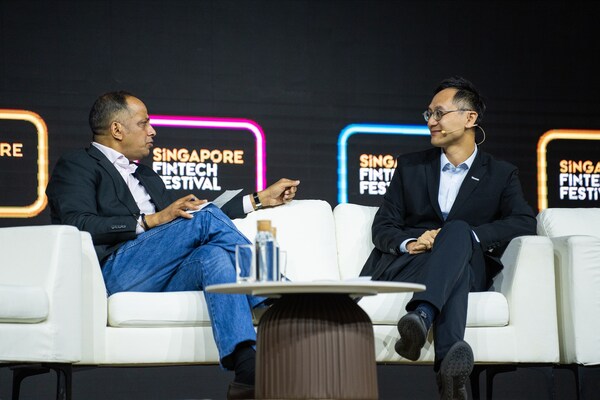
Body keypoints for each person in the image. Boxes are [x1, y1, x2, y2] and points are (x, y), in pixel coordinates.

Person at [45, 91, 300, 400]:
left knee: (213, 254)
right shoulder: (78, 164)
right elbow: (77, 223)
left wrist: (258, 200)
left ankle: (247, 369)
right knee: (205, 219)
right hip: (114, 271)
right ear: (116, 129)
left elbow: (191, 217)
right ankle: (279, 295)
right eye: (144, 123)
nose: (152, 130)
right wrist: (147, 221)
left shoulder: (147, 176)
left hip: (160, 273)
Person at [360, 77, 536, 400]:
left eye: (439, 113)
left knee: (458, 230)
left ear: (470, 118)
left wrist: (470, 236)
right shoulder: (411, 167)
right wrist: (410, 242)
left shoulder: (500, 173)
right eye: (428, 114)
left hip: (468, 266)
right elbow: (383, 226)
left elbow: (525, 221)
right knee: (457, 260)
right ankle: (448, 372)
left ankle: (422, 315)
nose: (431, 122)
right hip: (414, 264)